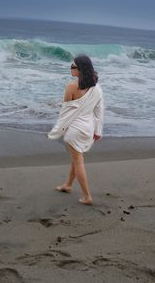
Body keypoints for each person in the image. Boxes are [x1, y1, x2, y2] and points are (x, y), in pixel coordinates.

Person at [48, 54, 104, 205]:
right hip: (88, 129)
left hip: (74, 129)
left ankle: (87, 196)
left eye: (74, 67)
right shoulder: (97, 88)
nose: (71, 69)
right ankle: (68, 185)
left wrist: (57, 131)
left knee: (78, 161)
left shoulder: (71, 86)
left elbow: (65, 112)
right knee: (76, 159)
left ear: (81, 69)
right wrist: (98, 132)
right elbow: (99, 112)